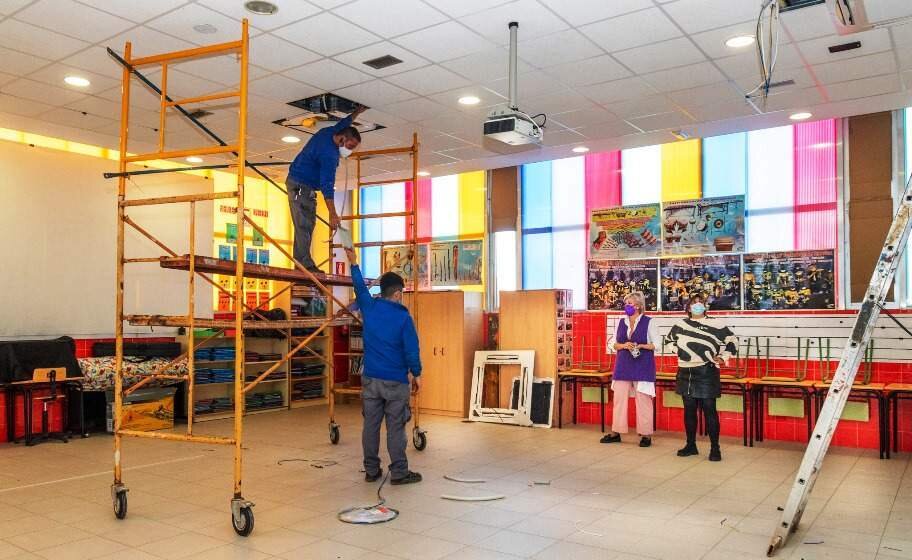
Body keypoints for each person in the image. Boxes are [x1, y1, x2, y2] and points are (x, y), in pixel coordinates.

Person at [345, 246, 422, 485]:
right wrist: (417, 374)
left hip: (370, 379)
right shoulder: (403, 318)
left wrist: (354, 263)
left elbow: (358, 287)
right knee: (396, 427)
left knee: (370, 426)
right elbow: (411, 350)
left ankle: (371, 470)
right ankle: (399, 472)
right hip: (396, 381)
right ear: (398, 294)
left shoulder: (370, 308)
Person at [286, 106, 366, 273]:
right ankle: (305, 265)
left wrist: (356, 113)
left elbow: (345, 122)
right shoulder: (329, 155)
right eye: (350, 146)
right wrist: (333, 214)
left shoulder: (329, 132)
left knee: (306, 225)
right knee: (304, 225)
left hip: (301, 184)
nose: (349, 151)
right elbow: (327, 186)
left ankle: (300, 262)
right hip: (300, 185)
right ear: (342, 139)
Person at [665, 294, 738, 462]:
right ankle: (691, 445)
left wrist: (723, 357)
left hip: (707, 371)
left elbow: (733, 341)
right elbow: (669, 341)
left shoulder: (716, 324)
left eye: (701, 303)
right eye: (694, 303)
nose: (697, 306)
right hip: (685, 372)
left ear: (706, 307)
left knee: (709, 410)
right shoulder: (680, 324)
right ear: (688, 307)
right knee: (689, 411)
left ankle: (715, 448)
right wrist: (682, 353)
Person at [601, 291, 657, 447]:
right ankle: (616, 432)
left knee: (644, 400)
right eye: (626, 304)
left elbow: (656, 344)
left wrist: (641, 345)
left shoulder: (649, 322)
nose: (627, 306)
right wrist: (624, 345)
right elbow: (612, 344)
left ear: (638, 306)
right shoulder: (621, 322)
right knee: (619, 400)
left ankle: (646, 435)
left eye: (630, 304)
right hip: (623, 365)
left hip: (643, 366)